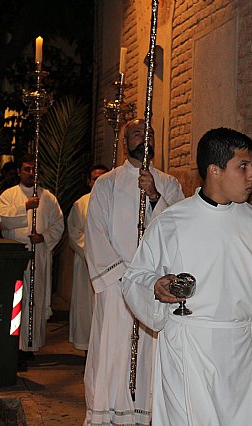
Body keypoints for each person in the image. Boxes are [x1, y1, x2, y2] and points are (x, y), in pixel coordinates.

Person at [122, 128, 252, 425]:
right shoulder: (172, 222)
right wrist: (155, 287)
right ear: (214, 170)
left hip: (240, 350)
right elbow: (134, 277)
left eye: (251, 166)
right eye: (243, 166)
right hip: (188, 346)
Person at [84, 119, 184, 425]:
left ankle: (147, 413)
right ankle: (107, 412)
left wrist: (155, 197)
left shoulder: (169, 184)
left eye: (150, 134)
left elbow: (179, 229)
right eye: (138, 134)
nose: (145, 138)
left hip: (156, 285)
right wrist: (126, 276)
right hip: (116, 283)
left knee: (150, 352)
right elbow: (96, 232)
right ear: (126, 142)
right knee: (113, 348)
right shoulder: (107, 184)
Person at [0, 153, 64, 356]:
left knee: (35, 300)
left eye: (35, 170)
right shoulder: (9, 195)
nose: (31, 173)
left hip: (39, 256)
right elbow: (3, 219)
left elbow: (58, 224)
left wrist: (43, 237)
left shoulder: (48, 197)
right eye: (27, 169)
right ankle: (14, 346)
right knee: (18, 300)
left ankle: (30, 346)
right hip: (16, 258)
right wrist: (25, 206)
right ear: (19, 171)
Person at [67, 163, 109, 352]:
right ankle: (87, 349)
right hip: (86, 264)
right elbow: (75, 233)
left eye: (103, 177)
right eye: (95, 178)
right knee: (86, 307)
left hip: (110, 265)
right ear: (89, 182)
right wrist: (94, 251)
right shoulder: (81, 204)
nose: (98, 182)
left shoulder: (116, 201)